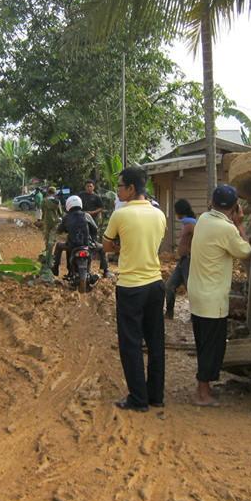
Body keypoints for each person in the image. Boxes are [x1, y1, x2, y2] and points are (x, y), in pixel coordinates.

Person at [103, 166, 166, 412]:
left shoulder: (121, 215)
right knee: (155, 342)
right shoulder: (159, 215)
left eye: (120, 186)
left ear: (130, 188)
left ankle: (138, 399)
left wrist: (121, 247)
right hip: (155, 284)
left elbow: (107, 246)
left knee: (131, 344)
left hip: (131, 286)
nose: (117, 190)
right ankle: (156, 396)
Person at [187, 184, 251, 406]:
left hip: (197, 295)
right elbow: (245, 250)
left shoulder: (203, 219)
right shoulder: (227, 229)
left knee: (204, 344)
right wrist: (240, 224)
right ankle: (202, 394)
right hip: (212, 300)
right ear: (235, 207)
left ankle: (204, 389)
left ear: (212, 203)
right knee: (212, 349)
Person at [52, 195, 109, 277]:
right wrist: (93, 239)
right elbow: (95, 228)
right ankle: (106, 271)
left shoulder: (66, 217)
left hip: (72, 246)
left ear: (68, 205)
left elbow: (59, 230)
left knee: (59, 245)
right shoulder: (86, 215)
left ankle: (55, 268)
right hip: (87, 245)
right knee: (102, 248)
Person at [165, 199, 198, 320]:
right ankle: (169, 313)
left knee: (191, 289)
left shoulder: (192, 224)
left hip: (188, 260)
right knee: (169, 286)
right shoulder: (186, 223)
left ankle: (196, 316)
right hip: (182, 261)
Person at [41, 186, 62, 266]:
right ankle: (50, 256)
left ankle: (47, 254)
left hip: (46, 222)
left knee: (46, 238)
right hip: (55, 222)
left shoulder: (44, 201)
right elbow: (60, 213)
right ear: (54, 193)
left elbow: (42, 211)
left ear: (48, 192)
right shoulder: (57, 202)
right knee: (52, 240)